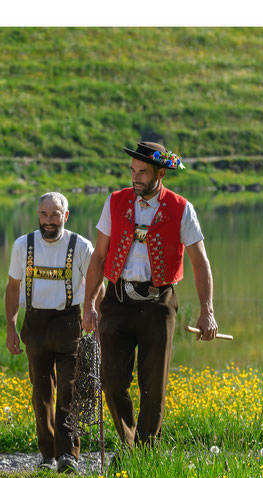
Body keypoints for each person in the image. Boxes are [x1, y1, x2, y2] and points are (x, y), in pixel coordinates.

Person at [82, 142, 218, 451]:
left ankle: (144, 455)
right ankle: (131, 446)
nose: (135, 178)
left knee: (153, 389)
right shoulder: (115, 202)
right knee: (112, 382)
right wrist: (90, 304)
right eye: (132, 171)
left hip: (159, 304)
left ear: (160, 173)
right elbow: (98, 256)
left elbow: (200, 262)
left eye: (143, 172)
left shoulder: (182, 208)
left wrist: (206, 310)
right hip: (116, 300)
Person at [4, 192, 97, 474]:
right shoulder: (24, 245)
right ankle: (47, 454)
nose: (48, 221)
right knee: (41, 391)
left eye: (54, 215)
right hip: (35, 323)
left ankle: (68, 453)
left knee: (69, 389)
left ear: (65, 216)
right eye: (44, 215)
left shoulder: (81, 245)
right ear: (38, 215)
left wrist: (92, 313)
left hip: (69, 323)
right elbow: (12, 286)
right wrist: (10, 325)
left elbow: (97, 284)